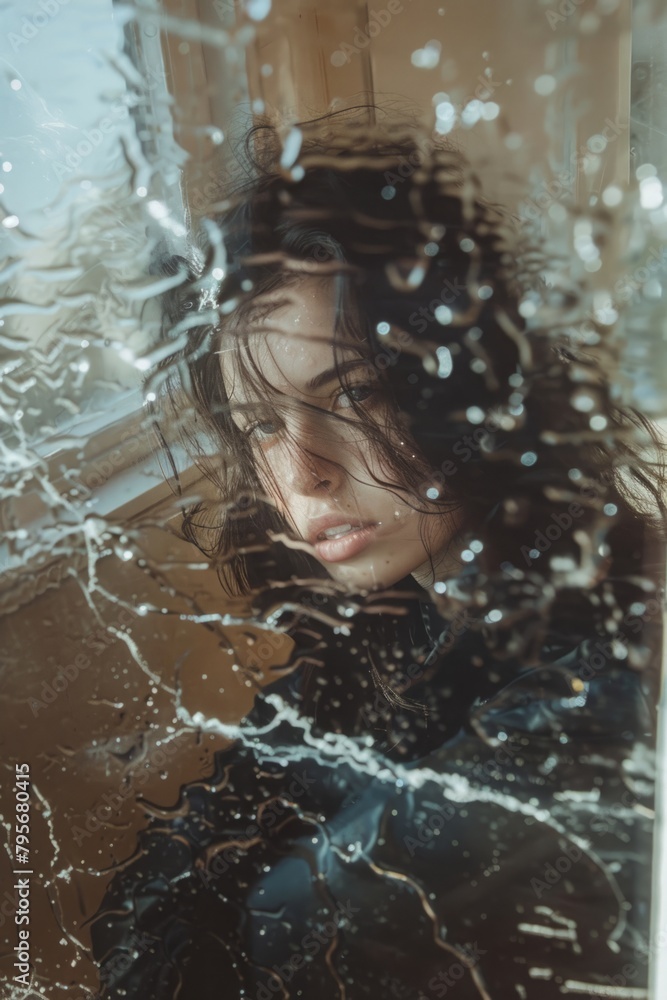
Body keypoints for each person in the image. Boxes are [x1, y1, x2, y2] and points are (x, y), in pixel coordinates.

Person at [90, 109, 666, 999]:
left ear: (470, 379)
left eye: (354, 391)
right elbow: (134, 909)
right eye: (260, 425)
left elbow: (283, 937)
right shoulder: (396, 619)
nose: (303, 475)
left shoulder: (590, 684)